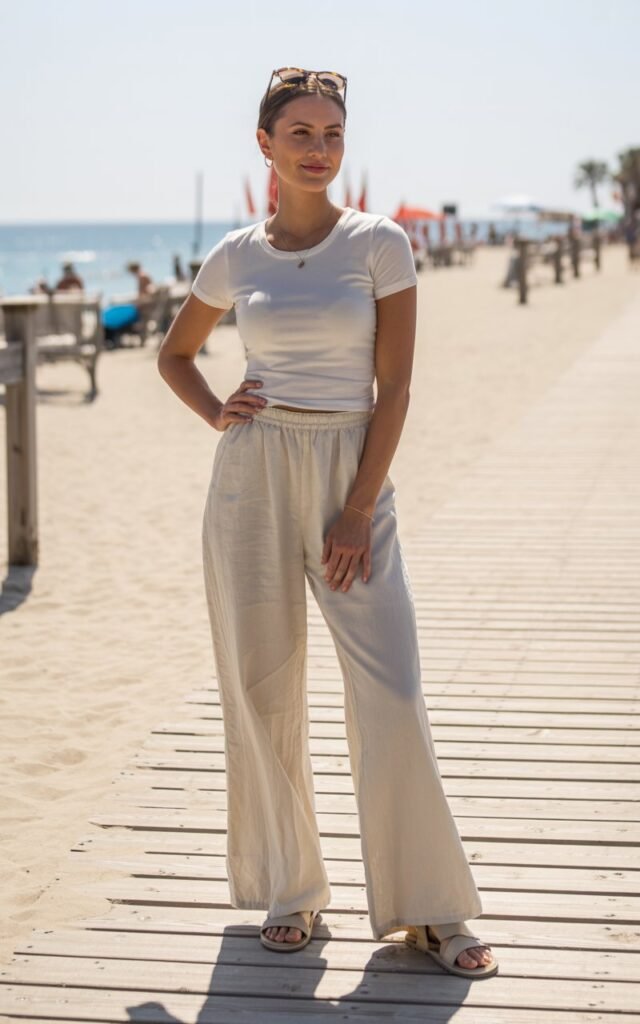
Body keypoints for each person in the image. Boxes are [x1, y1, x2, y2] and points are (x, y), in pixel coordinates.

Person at [157, 66, 497, 980]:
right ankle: (291, 890)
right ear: (264, 145)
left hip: (353, 471)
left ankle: (434, 909)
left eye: (333, 133)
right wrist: (220, 410)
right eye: (300, 132)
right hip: (253, 473)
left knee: (390, 690)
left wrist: (357, 509)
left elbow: (398, 389)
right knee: (261, 685)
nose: (319, 148)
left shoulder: (380, 244)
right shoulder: (236, 254)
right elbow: (175, 355)